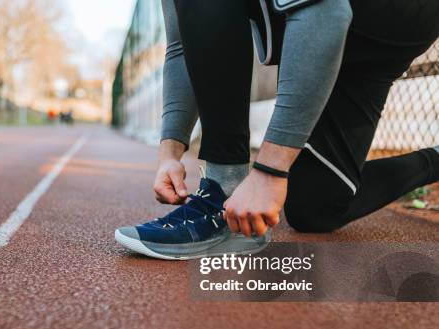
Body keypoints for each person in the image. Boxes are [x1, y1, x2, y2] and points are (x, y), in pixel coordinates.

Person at [115, 0, 439, 260]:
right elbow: (184, 47)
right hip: (348, 38)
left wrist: (270, 171)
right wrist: (169, 153)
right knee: (316, 207)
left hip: (390, 15)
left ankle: (221, 191)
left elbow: (326, 10)